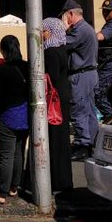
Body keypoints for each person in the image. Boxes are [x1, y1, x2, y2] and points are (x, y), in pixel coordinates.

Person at [0, 34, 31, 205]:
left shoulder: (1, 69)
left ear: (3, 50)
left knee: (6, 156)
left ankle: (1, 193)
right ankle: (14, 188)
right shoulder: (28, 66)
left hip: (8, 116)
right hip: (26, 117)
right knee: (19, 154)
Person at [40, 16, 74, 192]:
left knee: (53, 140)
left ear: (51, 31)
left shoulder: (50, 52)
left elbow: (49, 77)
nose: (42, 35)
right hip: (62, 98)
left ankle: (55, 180)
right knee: (61, 140)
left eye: (44, 31)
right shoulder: (61, 48)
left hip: (54, 103)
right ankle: (63, 180)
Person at [62, 0, 98, 159]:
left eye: (64, 16)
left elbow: (63, 44)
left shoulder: (79, 30)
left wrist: (63, 29)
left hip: (81, 75)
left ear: (70, 14)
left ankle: (82, 144)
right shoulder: (87, 28)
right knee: (89, 110)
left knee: (79, 110)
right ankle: (91, 142)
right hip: (89, 74)